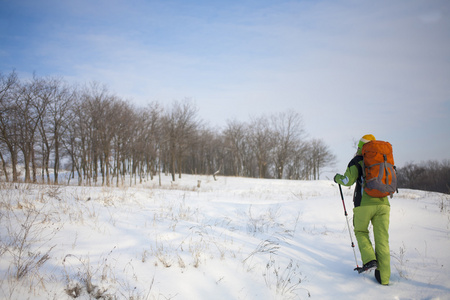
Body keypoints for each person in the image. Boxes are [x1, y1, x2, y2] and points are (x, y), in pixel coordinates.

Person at [334, 134, 390, 285]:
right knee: (382, 240)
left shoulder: (357, 160)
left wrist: (337, 178)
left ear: (360, 146)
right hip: (384, 204)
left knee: (360, 231)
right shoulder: (382, 159)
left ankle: (370, 260)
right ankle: (384, 279)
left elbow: (347, 181)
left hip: (364, 204)